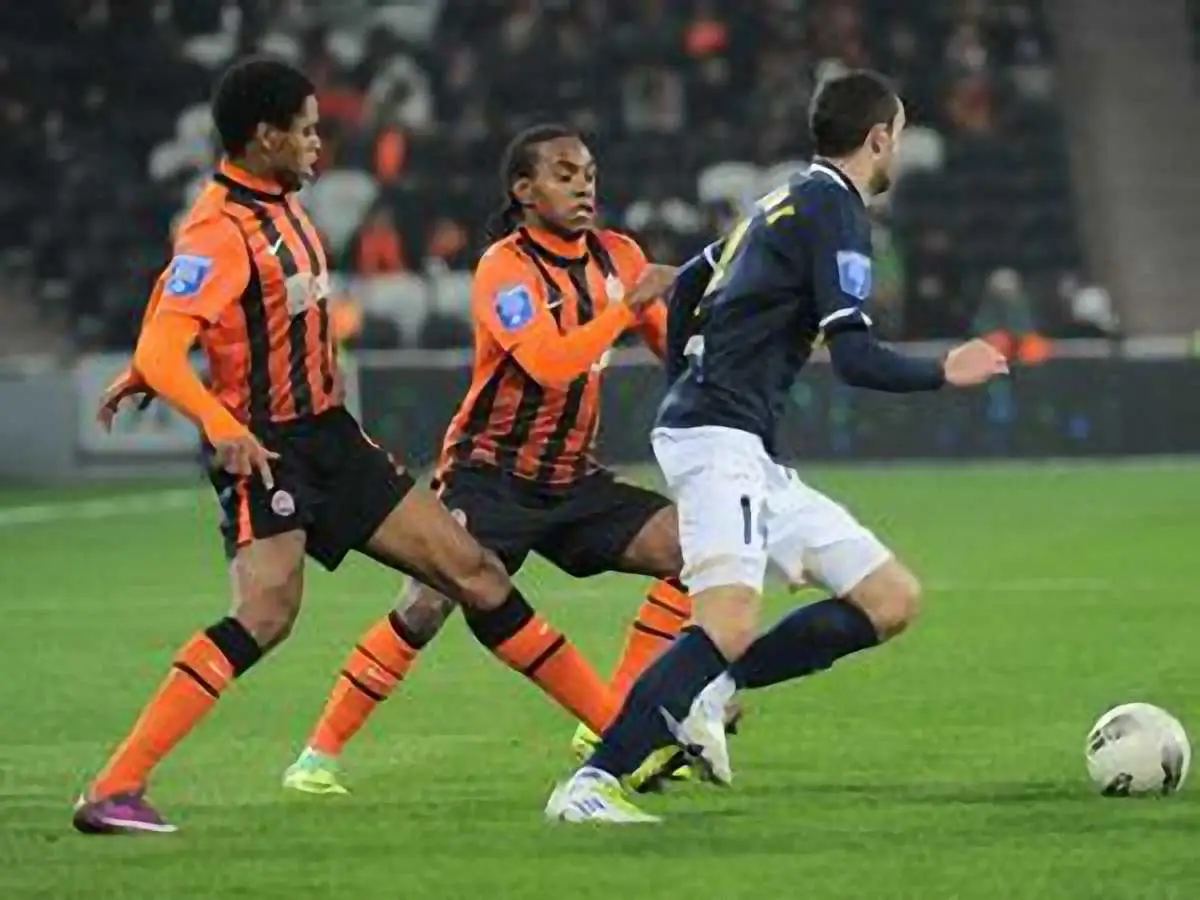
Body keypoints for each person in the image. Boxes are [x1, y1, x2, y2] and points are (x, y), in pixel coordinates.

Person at [76, 60, 625, 836]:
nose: (316, 142)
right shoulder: (221, 228)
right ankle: (115, 787)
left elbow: (183, 315)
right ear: (263, 136)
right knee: (266, 614)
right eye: (304, 130)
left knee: (473, 571)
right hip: (266, 447)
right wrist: (214, 418)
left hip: (330, 435)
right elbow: (163, 345)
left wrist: (150, 369)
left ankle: (624, 737)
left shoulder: (279, 204)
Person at [546, 70, 1010, 824]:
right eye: (898, 136)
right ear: (880, 138)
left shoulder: (780, 199)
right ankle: (590, 783)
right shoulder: (836, 210)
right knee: (725, 624)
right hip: (718, 442)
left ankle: (714, 690)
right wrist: (942, 371)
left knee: (890, 599)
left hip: (739, 443)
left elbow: (687, 284)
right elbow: (853, 358)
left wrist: (688, 382)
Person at [282, 124, 715, 797]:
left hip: (572, 478)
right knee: (426, 605)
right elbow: (549, 364)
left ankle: (610, 720)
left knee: (700, 551)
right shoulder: (504, 268)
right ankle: (318, 756)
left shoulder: (619, 256)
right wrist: (626, 308)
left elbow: (673, 348)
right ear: (524, 190)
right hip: (489, 475)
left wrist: (726, 353)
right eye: (564, 174)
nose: (583, 186)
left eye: (589, 174)